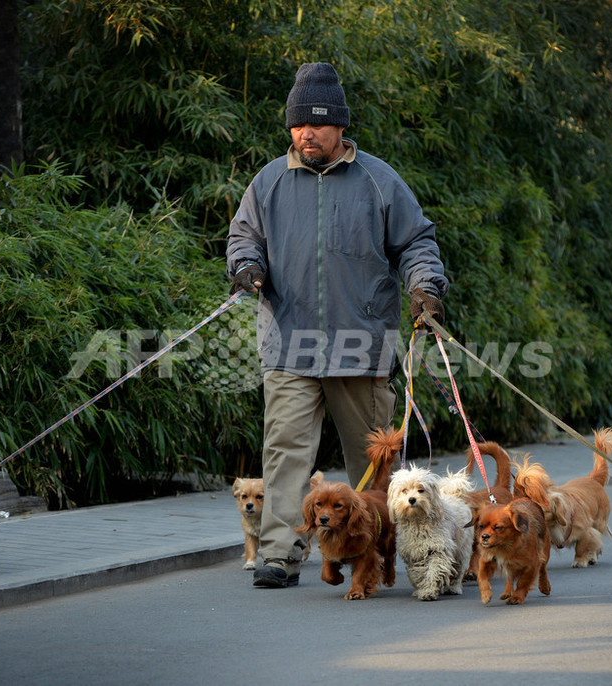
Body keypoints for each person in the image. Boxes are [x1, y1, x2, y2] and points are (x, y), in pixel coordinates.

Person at [225, 62, 448, 588]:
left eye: (317, 126)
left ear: (340, 128)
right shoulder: (269, 182)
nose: (307, 134)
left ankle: (397, 549)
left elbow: (417, 243)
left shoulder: (378, 180)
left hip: (361, 345)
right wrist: (246, 267)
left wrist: (425, 289)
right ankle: (279, 555)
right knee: (284, 455)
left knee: (374, 465)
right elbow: (242, 238)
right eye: (298, 126)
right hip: (287, 342)